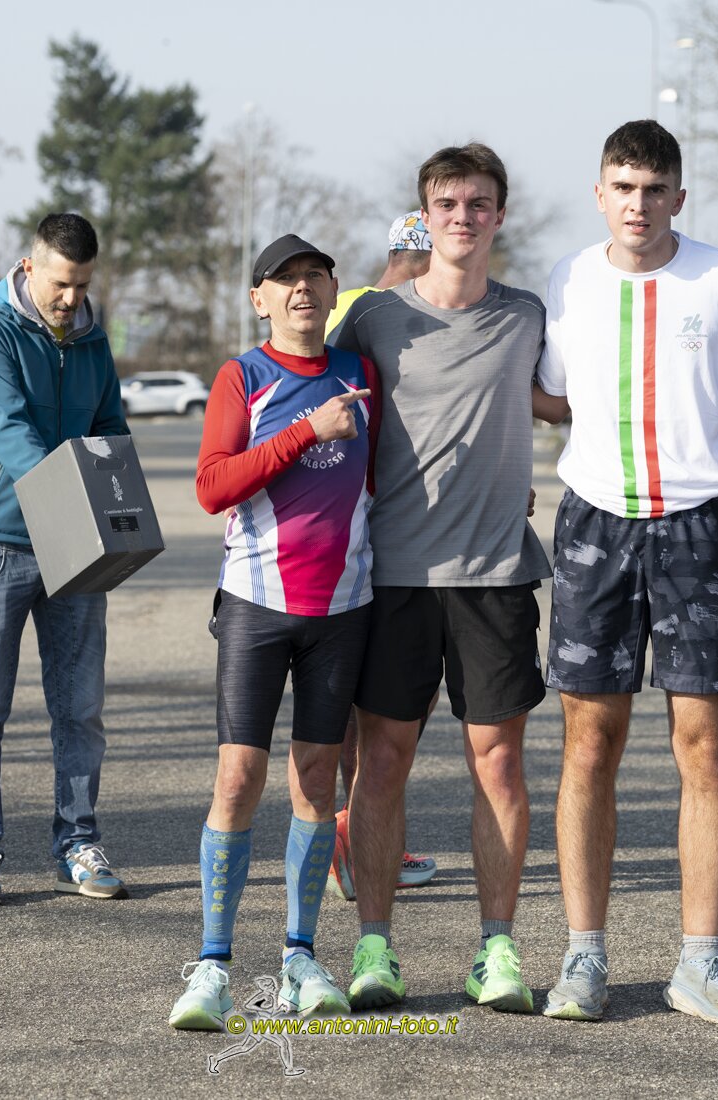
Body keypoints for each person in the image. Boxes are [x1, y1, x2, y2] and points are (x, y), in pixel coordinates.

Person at [532, 120, 718, 1026]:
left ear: (679, 198)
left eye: (655, 189)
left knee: (706, 744)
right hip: (595, 526)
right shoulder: (569, 281)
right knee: (590, 742)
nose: (639, 204)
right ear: (599, 195)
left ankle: (702, 962)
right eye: (623, 187)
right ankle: (583, 956)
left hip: (700, 528)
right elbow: (549, 399)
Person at [330, 144, 550, 1015]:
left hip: (496, 575)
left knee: (499, 764)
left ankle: (496, 949)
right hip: (395, 575)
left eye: (479, 203)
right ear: (426, 217)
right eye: (448, 204)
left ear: (501, 214)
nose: (464, 217)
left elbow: (574, 400)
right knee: (382, 761)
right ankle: (374, 948)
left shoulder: (527, 316)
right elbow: (310, 392)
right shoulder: (375, 318)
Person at [168, 235, 380, 1031]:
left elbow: (387, 478)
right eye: (284, 280)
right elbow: (211, 487)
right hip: (256, 604)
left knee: (318, 782)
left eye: (313, 277)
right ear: (259, 299)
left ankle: (300, 956)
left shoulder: (360, 375)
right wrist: (304, 432)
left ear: (333, 291)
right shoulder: (244, 376)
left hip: (343, 608)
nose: (300, 290)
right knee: (237, 779)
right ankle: (213, 966)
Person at [0, 213, 132, 906]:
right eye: (60, 283)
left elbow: (108, 426)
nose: (70, 298)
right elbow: (10, 433)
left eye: (82, 285)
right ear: (30, 268)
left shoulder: (92, 338)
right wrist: (75, 501)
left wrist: (118, 501)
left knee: (80, 709)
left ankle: (78, 844)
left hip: (76, 545)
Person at [324, 211, 438, 901]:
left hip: (351, 522)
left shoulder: (343, 306)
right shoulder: (398, 315)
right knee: (394, 697)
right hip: (392, 522)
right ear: (424, 256)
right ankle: (359, 833)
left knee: (360, 695)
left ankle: (358, 829)